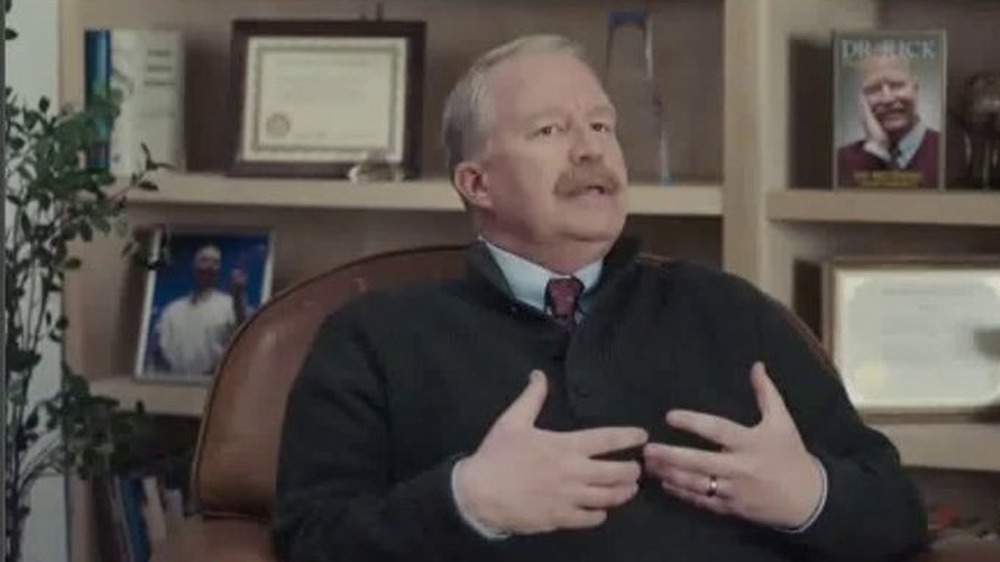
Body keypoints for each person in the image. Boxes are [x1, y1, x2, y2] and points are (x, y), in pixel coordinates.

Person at [275, 35, 929, 562]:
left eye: (601, 125)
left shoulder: (730, 311)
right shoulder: (373, 337)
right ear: (477, 182)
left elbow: (899, 514)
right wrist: (467, 501)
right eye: (549, 131)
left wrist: (806, 495)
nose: (592, 149)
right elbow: (310, 542)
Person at [837, 51, 941, 188]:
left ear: (915, 89)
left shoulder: (947, 150)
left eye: (897, 85)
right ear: (861, 101)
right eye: (873, 89)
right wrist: (877, 148)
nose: (887, 98)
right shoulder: (842, 160)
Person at [152, 243, 249, 375]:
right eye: (204, 260)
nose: (209, 266)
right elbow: (159, 352)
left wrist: (238, 298)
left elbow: (245, 335)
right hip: (175, 383)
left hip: (213, 384)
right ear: (194, 266)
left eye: (215, 262)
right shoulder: (172, 310)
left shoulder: (229, 305)